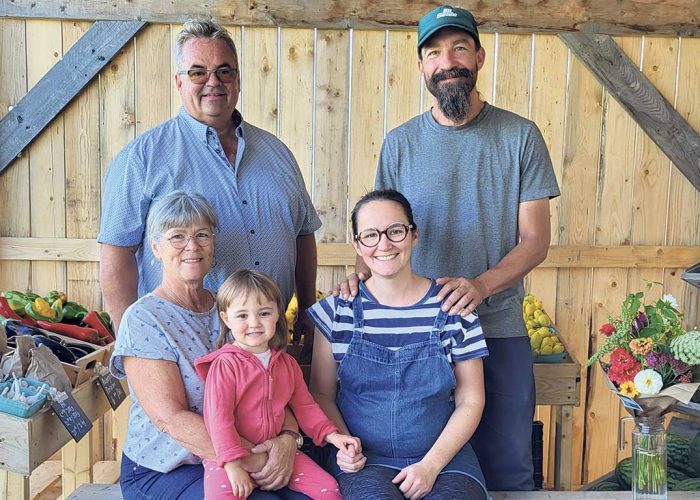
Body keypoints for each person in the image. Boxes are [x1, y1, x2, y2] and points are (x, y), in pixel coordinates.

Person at [341, 6, 561, 491]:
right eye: (434, 53)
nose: (448, 61)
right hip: (417, 337)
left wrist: (480, 286)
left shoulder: (521, 137)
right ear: (422, 67)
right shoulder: (399, 144)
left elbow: (536, 240)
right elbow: (379, 228)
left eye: (459, 47)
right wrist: (360, 273)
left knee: (508, 469)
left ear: (479, 57)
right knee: (417, 471)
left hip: (498, 325)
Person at [97, 18, 320, 355]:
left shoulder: (277, 153)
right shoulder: (142, 159)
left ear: (238, 79)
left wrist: (306, 308)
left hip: (270, 343)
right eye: (198, 72)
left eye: (224, 71)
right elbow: (116, 254)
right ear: (179, 81)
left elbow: (303, 234)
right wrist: (131, 344)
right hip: (185, 348)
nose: (213, 82)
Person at [110, 191, 308, 499]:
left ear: (213, 243)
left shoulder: (233, 310)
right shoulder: (144, 319)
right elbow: (170, 418)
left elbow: (276, 383)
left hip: (246, 454)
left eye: (202, 234)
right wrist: (254, 460)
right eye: (177, 236)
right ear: (156, 248)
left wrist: (287, 439)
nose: (192, 246)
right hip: (170, 468)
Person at [310, 189, 489, 500]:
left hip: (445, 459)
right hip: (364, 461)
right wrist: (343, 444)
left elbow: (471, 400)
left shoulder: (453, 308)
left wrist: (431, 465)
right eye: (370, 235)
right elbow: (322, 393)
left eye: (395, 231)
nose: (384, 244)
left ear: (414, 235)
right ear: (357, 245)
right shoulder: (337, 310)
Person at [194, 270, 361, 499]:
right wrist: (232, 465)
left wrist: (333, 436)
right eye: (242, 316)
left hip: (276, 450)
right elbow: (218, 420)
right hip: (229, 455)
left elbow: (306, 407)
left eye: (264, 313)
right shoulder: (225, 365)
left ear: (277, 314)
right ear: (225, 318)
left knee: (329, 490)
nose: (254, 323)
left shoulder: (287, 364)